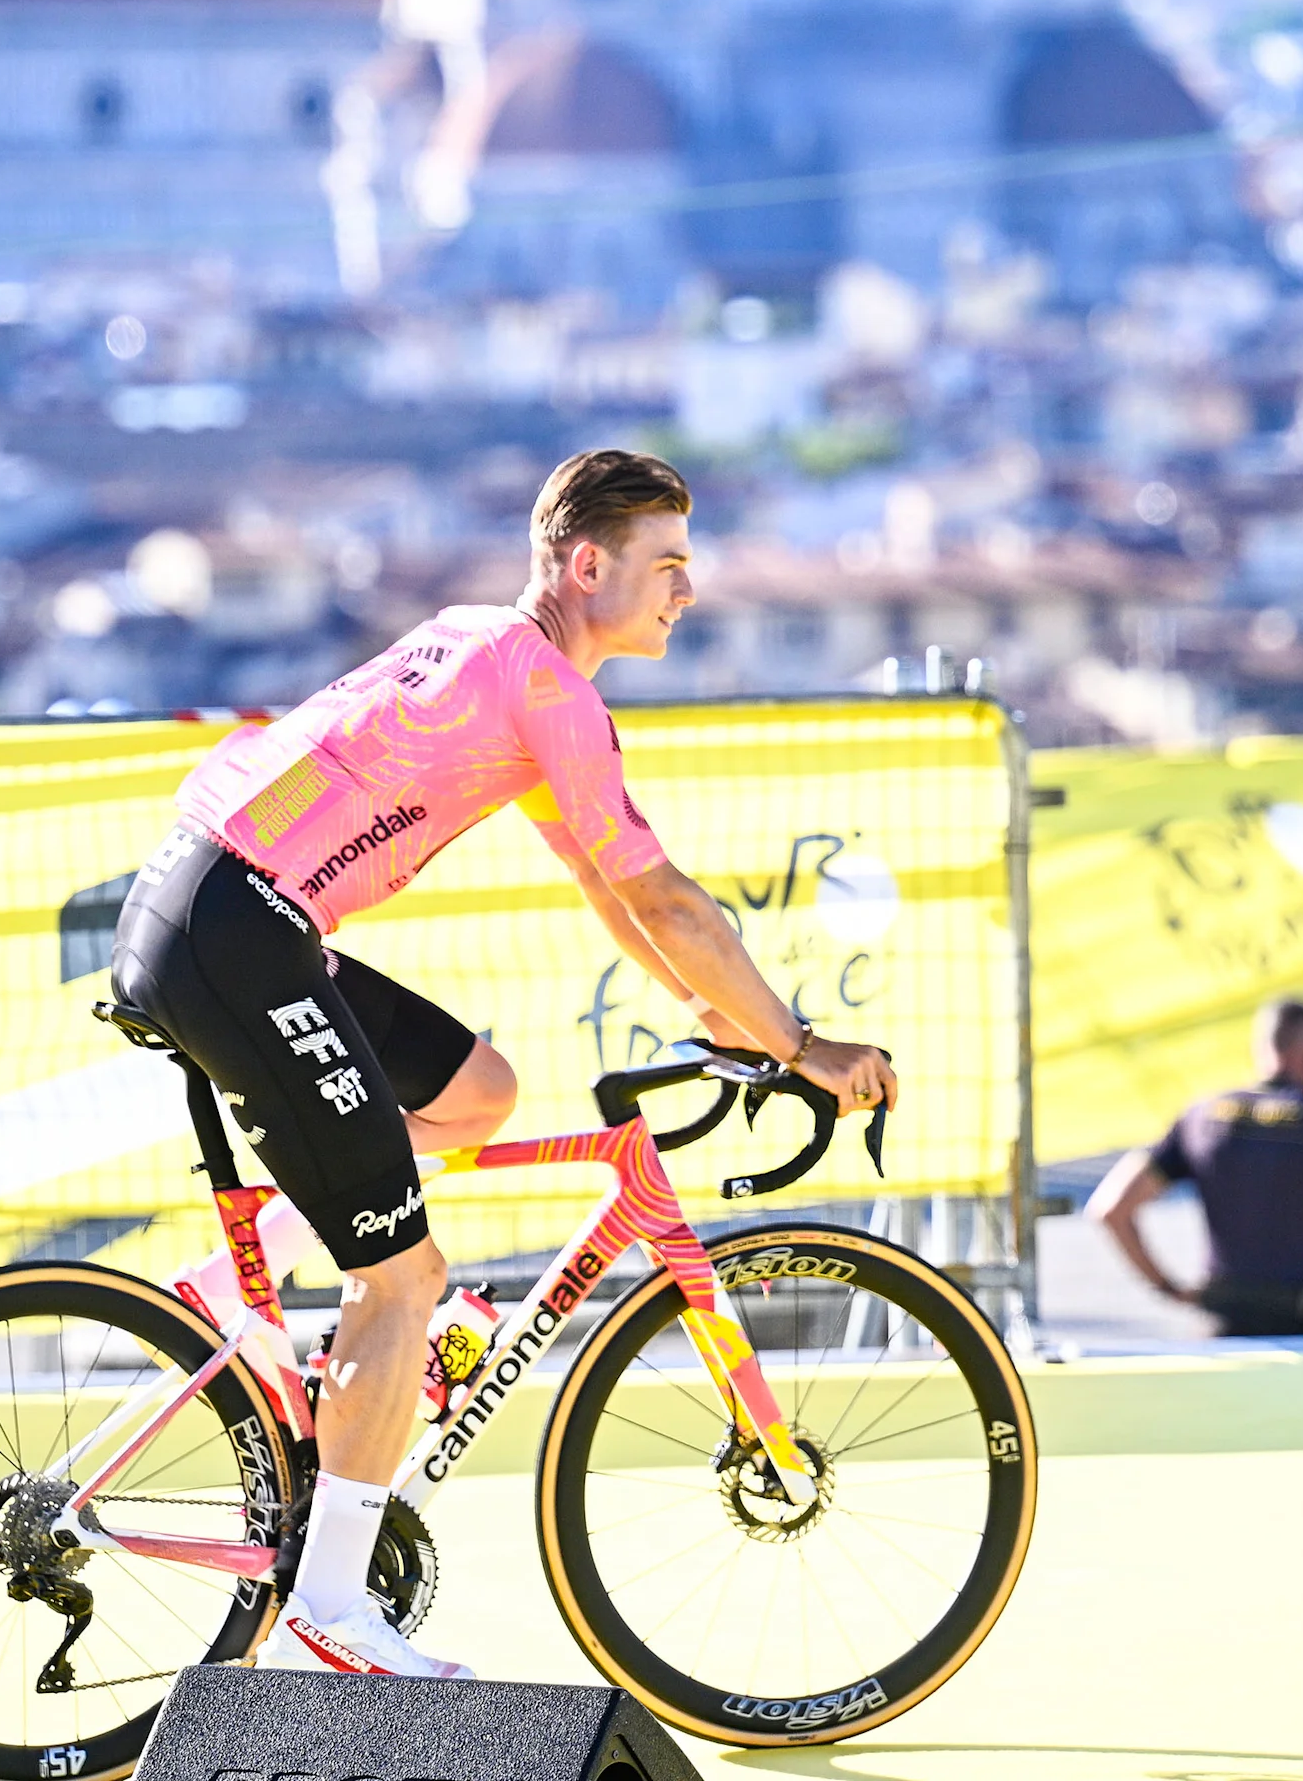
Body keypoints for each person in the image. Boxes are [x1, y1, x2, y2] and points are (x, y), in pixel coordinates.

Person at [111, 447, 899, 1680]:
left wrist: (717, 1013)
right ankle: (332, 1604)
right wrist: (798, 1043)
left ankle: (238, 1284)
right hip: (234, 929)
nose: (687, 592)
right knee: (407, 1279)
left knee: (481, 1092)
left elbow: (608, 883)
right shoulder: (550, 692)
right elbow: (667, 896)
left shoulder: (493, 649)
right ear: (588, 566)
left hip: (223, 908)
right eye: (668, 567)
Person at [1087, 996, 1303, 1337]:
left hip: (1224, 1323)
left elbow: (1111, 1209)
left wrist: (1168, 1287)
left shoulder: (1203, 1115)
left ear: (1260, 1046)